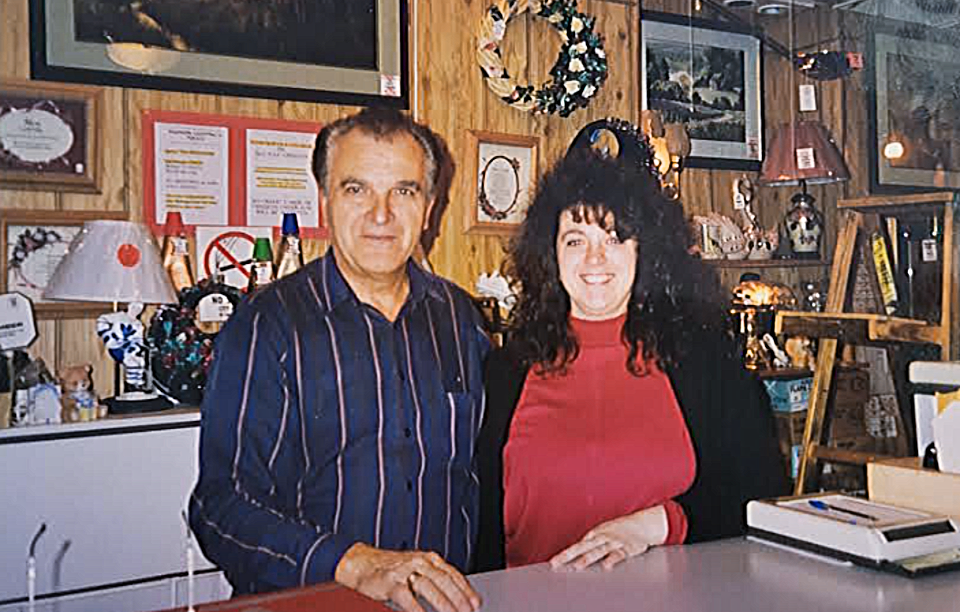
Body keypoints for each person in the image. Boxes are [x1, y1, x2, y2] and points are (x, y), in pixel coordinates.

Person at [190, 108, 486, 612]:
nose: (380, 214)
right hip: (312, 603)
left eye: (404, 191)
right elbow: (220, 507)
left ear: (430, 208)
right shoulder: (267, 325)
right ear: (324, 200)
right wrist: (354, 564)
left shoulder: (459, 318)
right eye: (357, 190)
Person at [474, 141, 788, 573]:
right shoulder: (505, 372)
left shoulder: (704, 358)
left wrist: (659, 523)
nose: (595, 259)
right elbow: (479, 525)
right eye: (575, 240)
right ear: (550, 255)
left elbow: (763, 489)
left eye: (616, 237)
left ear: (645, 250)